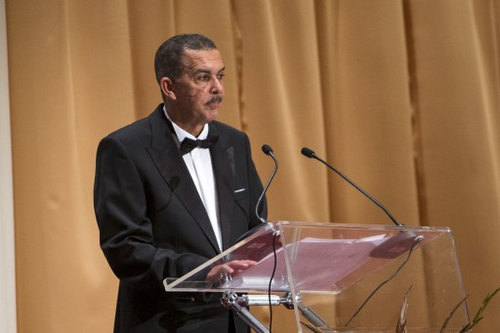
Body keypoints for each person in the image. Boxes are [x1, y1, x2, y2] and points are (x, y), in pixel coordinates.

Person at [94, 34, 266, 332]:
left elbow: (255, 224)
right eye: (203, 77)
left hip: (232, 322)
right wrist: (202, 273)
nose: (218, 89)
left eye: (220, 76)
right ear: (169, 87)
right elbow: (125, 248)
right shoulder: (125, 148)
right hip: (166, 321)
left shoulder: (235, 143)